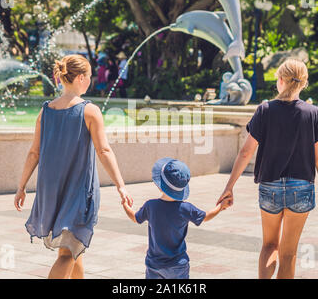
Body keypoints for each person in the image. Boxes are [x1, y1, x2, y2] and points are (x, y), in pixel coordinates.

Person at [217, 58, 318, 279]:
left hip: (270, 186)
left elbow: (246, 152)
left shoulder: (265, 110)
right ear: (303, 83)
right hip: (301, 187)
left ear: (280, 81)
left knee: (269, 246)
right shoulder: (313, 113)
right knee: (289, 253)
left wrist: (229, 187)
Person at [14, 54, 133, 279]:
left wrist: (21, 187)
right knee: (68, 253)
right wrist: (121, 186)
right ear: (80, 78)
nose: (89, 80)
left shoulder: (46, 110)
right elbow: (104, 151)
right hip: (77, 192)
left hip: (51, 191)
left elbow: (34, 153)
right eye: (88, 76)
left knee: (74, 248)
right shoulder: (89, 110)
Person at [121, 158, 230, 279]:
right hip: (178, 265)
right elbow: (206, 216)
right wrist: (221, 206)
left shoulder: (151, 206)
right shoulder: (185, 208)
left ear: (160, 185)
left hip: (154, 265)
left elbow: (135, 217)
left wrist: (125, 204)